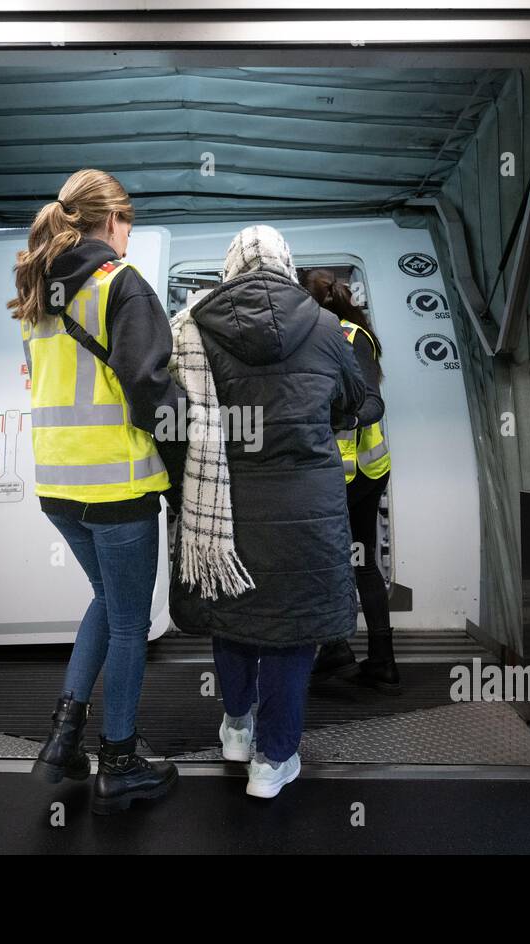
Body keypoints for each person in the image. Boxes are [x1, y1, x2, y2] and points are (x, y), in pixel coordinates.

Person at [9, 168, 186, 814]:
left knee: (107, 602)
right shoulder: (120, 285)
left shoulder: (39, 290)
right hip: (119, 486)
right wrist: (186, 461)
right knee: (131, 622)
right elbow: (150, 389)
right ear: (112, 221)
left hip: (59, 485)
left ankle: (63, 739)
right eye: (128, 221)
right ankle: (120, 759)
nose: (130, 234)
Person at [169, 225, 366, 799]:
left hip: (229, 507)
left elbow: (176, 417)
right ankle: (273, 761)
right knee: (292, 628)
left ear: (231, 267)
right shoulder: (327, 326)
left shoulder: (194, 329)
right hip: (309, 507)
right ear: (286, 264)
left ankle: (235, 727)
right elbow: (353, 399)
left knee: (236, 617)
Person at [304, 270, 397, 693]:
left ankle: (374, 658)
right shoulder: (340, 332)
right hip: (349, 473)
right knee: (350, 563)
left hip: (353, 475)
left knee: (351, 564)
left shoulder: (345, 336)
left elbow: (372, 404)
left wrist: (343, 418)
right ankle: (347, 650)